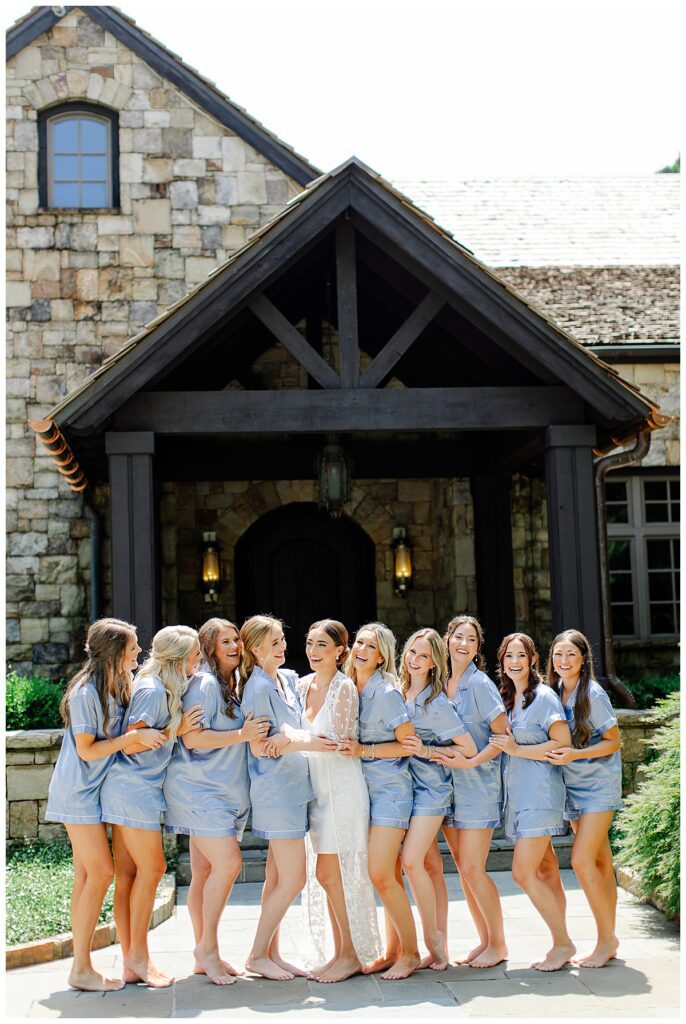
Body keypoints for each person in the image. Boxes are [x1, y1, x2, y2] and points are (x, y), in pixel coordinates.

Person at [44, 618, 165, 992]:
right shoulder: (85, 693)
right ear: (114, 651)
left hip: (95, 792)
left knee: (87, 877)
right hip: (77, 793)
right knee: (100, 873)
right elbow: (86, 749)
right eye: (132, 647)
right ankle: (81, 968)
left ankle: (81, 966)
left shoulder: (118, 685)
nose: (138, 653)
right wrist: (133, 739)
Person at [163, 618, 271, 985]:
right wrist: (242, 734)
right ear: (208, 647)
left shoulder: (233, 684)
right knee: (229, 863)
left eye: (237, 640)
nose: (235, 647)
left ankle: (203, 951)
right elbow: (193, 740)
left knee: (204, 873)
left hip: (223, 793)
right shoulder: (205, 684)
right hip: (199, 791)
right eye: (225, 641)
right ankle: (207, 949)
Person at [100, 625, 204, 988]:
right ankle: (139, 958)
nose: (199, 660)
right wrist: (175, 731)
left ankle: (132, 961)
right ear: (178, 659)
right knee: (154, 866)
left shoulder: (158, 687)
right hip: (133, 791)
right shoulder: (153, 690)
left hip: (132, 790)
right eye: (195, 654)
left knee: (129, 875)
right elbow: (132, 744)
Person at [239, 614, 338, 981]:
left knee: (276, 877)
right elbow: (261, 745)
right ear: (256, 648)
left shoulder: (287, 679)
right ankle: (255, 955)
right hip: (276, 792)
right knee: (295, 879)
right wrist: (307, 741)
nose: (284, 647)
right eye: (276, 642)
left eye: (283, 640)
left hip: (297, 788)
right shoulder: (257, 688)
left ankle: (271, 952)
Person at [283, 619, 383, 982]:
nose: (312, 651)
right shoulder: (300, 684)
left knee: (331, 873)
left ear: (341, 651)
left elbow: (336, 742)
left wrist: (289, 737)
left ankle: (352, 953)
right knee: (328, 877)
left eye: (322, 645)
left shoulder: (344, 689)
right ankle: (341, 951)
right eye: (309, 643)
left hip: (340, 789)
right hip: (312, 791)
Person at [338, 622, 420, 981]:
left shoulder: (385, 692)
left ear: (382, 655)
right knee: (389, 876)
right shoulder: (347, 688)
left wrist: (365, 750)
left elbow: (409, 743)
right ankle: (393, 951)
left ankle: (412, 953)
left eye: (370, 646)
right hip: (361, 793)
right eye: (359, 643)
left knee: (381, 873)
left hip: (390, 792)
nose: (361, 650)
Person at [426, 615, 509, 968]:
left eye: (471, 639)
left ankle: (499, 944)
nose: (463, 643)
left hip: (478, 788)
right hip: (447, 789)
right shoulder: (439, 681)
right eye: (458, 637)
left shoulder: (480, 685)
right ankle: (484, 940)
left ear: (477, 648)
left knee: (474, 868)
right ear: (447, 640)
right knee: (463, 869)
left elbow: (503, 738)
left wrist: (473, 762)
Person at [489, 631, 575, 972]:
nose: (514, 662)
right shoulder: (507, 698)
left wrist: (517, 750)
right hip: (519, 794)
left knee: (522, 873)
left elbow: (562, 741)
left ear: (533, 660)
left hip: (540, 793)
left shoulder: (543, 697)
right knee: (546, 868)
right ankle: (561, 940)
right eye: (508, 656)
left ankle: (563, 943)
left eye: (520, 656)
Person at [398, 628, 477, 970]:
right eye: (411, 652)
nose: (415, 660)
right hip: (403, 790)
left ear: (434, 664)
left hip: (431, 792)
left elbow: (469, 748)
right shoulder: (398, 691)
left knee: (410, 862)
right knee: (429, 867)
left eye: (423, 656)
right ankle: (439, 940)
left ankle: (434, 945)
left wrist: (428, 750)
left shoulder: (436, 703)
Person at [545, 628, 622, 968]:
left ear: (582, 660)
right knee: (601, 863)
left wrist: (574, 755)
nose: (564, 661)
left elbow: (614, 741)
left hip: (598, 787)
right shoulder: (554, 691)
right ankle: (610, 937)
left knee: (580, 860)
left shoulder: (593, 693)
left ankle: (605, 941)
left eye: (571, 655)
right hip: (571, 788)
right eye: (558, 655)